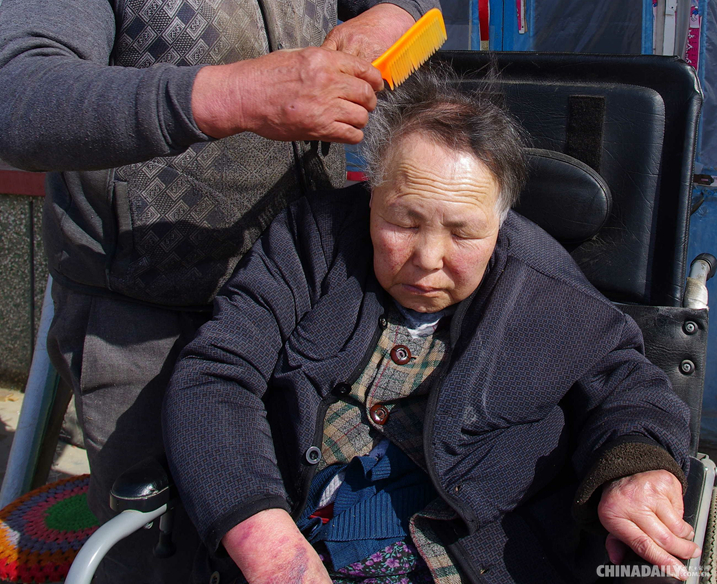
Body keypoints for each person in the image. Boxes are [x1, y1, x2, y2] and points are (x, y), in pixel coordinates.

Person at [0, 0, 439, 580]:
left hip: (303, 304)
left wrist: (378, 29)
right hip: (152, 324)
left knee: (310, 530)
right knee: (179, 551)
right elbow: (22, 99)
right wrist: (237, 96)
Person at [164, 67, 698, 584]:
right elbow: (216, 373)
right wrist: (269, 548)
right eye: (404, 221)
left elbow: (628, 387)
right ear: (371, 192)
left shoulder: (545, 287)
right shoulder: (310, 241)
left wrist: (635, 469)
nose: (428, 258)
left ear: (500, 220)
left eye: (463, 234)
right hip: (296, 544)